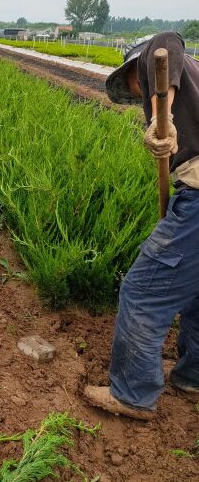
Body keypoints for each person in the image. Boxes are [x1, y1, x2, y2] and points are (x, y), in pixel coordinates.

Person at [84, 32, 199, 420]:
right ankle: (193, 374)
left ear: (138, 69)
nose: (137, 96)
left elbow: (167, 44)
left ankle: (133, 394)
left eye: (132, 85)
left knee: (143, 293)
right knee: (196, 290)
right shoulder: (189, 93)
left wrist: (157, 111)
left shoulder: (162, 70)